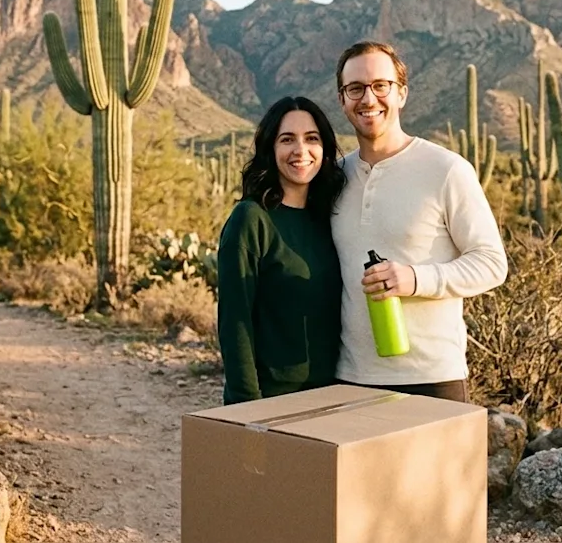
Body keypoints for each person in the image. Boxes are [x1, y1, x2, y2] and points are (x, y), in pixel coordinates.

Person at [330, 41, 508, 403]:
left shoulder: (446, 169)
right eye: (356, 89)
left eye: (381, 86)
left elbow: (492, 263)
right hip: (350, 378)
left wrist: (414, 278)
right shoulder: (332, 179)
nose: (369, 98)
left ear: (402, 94)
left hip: (431, 378)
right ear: (342, 99)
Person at [216, 95, 348, 405]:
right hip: (270, 398)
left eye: (311, 139)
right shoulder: (251, 219)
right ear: (270, 149)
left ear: (325, 149)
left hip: (334, 394)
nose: (300, 151)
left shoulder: (330, 219)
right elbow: (235, 321)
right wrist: (247, 405)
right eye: (287, 139)